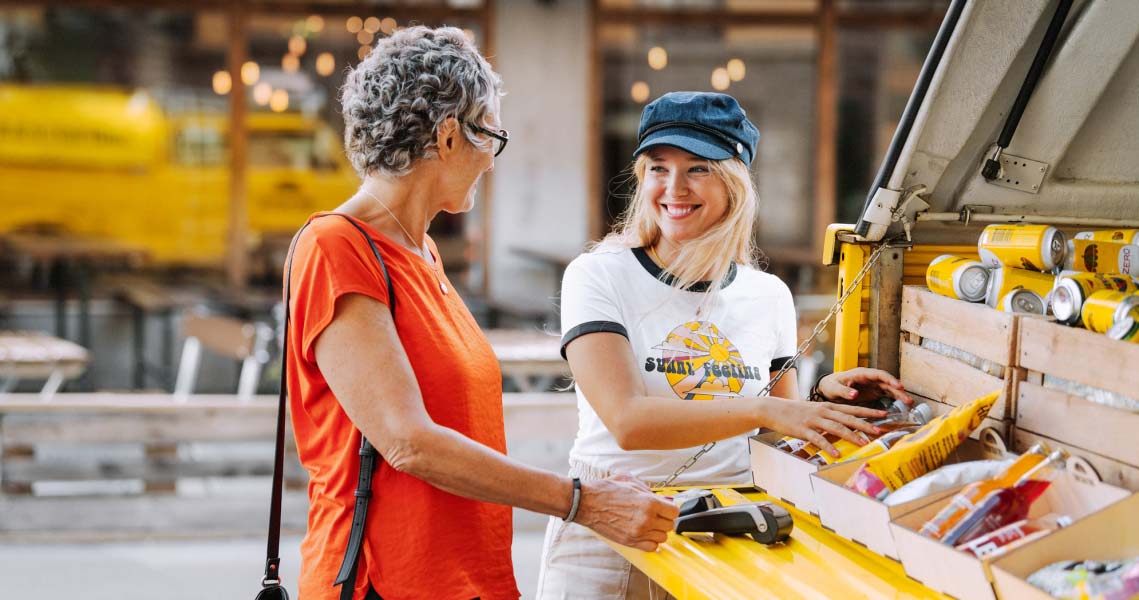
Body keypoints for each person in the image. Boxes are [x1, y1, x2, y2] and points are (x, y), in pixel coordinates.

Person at [285, 26, 677, 600]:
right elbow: (408, 441)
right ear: (448, 136)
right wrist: (582, 502)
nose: (492, 160)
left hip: (461, 577)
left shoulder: (422, 252)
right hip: (383, 581)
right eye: (491, 135)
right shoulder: (336, 247)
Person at [535, 91, 912, 599]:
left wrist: (822, 402)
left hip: (729, 524)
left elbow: (780, 431)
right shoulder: (599, 276)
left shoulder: (768, 294)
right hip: (611, 521)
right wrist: (770, 411)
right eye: (658, 168)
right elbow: (626, 421)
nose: (674, 188)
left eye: (697, 169)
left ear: (734, 182)